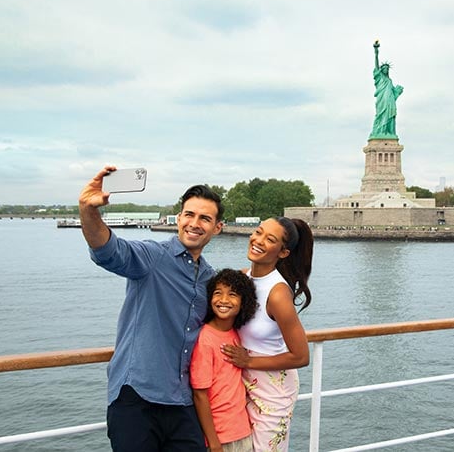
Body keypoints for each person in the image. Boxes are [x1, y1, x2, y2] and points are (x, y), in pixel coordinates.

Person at [78, 165, 224, 452]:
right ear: (179, 217)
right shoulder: (152, 257)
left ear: (217, 228)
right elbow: (108, 251)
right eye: (190, 215)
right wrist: (88, 210)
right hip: (137, 398)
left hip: (182, 399)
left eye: (205, 218)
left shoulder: (209, 278)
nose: (195, 223)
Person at [221, 217, 314, 452]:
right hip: (239, 385)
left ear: (283, 253)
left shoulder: (278, 294)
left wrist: (249, 360)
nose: (258, 240)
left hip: (273, 392)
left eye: (269, 239)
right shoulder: (243, 279)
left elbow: (301, 356)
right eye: (258, 232)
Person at [191, 269, 259, 452]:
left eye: (232, 294)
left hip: (243, 430)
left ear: (244, 302)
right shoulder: (205, 339)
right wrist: (214, 443)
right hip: (220, 437)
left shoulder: (236, 334)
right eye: (218, 293)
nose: (223, 300)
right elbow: (200, 395)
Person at [369, 40, 404, 139]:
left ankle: (389, 132)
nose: (386, 70)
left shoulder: (389, 80)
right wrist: (376, 51)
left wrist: (398, 92)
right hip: (382, 99)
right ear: (381, 70)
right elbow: (376, 64)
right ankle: (380, 131)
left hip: (390, 100)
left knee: (391, 115)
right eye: (384, 68)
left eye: (387, 69)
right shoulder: (379, 77)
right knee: (381, 114)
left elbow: (394, 93)